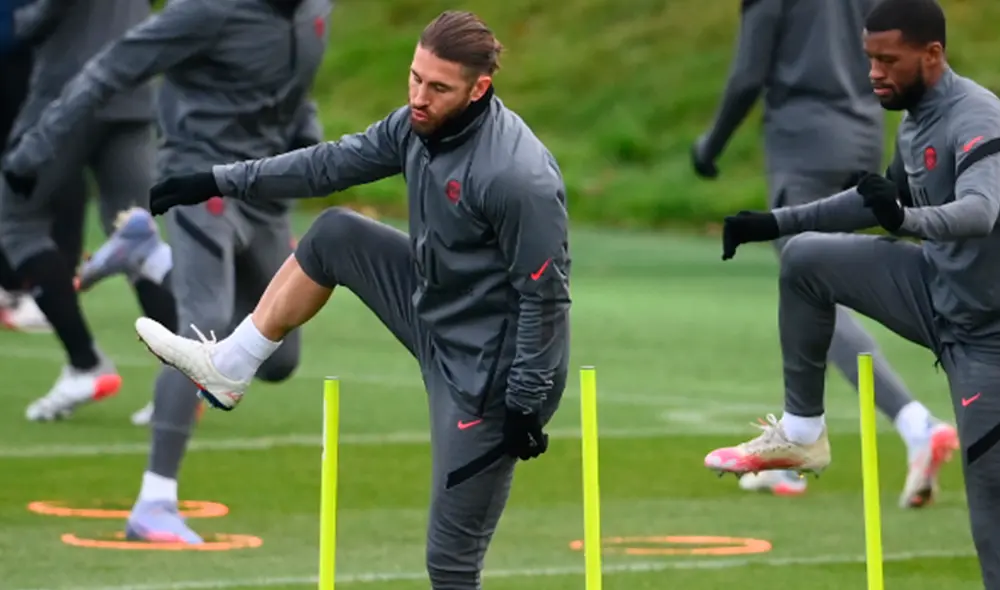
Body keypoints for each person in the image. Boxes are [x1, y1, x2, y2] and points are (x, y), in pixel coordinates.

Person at [133, 11, 571, 587]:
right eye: (415, 77)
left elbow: (545, 297)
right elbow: (329, 165)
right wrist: (219, 180)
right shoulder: (416, 124)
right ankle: (230, 367)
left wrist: (525, 404)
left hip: (489, 375)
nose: (419, 96)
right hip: (433, 307)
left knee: (450, 564)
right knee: (336, 234)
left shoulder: (517, 178)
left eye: (438, 88)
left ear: (478, 89)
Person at [2, 0, 329, 542]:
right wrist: (36, 146)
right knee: (202, 332)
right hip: (200, 181)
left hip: (265, 196)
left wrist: (306, 151)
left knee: (277, 360)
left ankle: (147, 257)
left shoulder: (315, 10)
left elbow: (298, 93)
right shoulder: (204, 11)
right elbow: (107, 68)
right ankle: (154, 502)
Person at [706, 0, 1000, 584]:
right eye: (869, 59)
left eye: (888, 60)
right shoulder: (915, 120)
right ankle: (802, 434)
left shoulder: (976, 117)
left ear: (933, 55)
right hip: (938, 294)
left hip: (988, 333)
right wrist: (777, 222)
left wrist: (906, 223)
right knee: (807, 259)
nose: (873, 73)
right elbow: (879, 199)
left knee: (990, 513)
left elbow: (981, 211)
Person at [0, 0, 178, 419]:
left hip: (69, 95)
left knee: (16, 221)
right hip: (133, 95)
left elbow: (38, 18)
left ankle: (85, 363)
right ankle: (184, 376)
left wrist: (16, 19)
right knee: (135, 236)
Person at [0, 0, 92, 334]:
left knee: (52, 167)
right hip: (15, 45)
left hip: (38, 52)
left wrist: (28, 22)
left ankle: (55, 284)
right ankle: (10, 283)